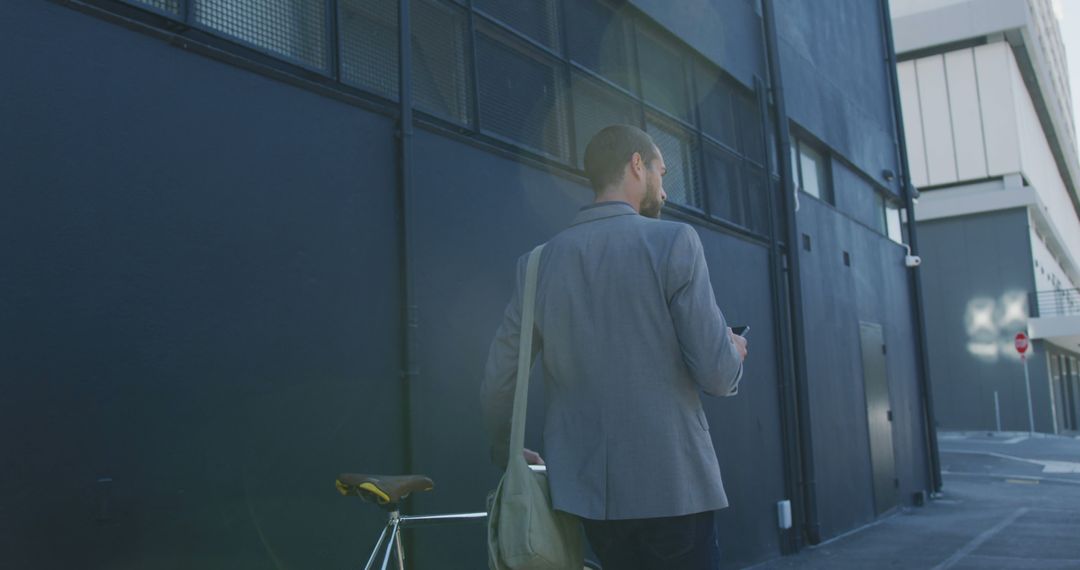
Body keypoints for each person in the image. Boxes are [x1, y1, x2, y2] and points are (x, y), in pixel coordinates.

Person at [481, 124, 748, 569]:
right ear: (637, 165)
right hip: (674, 486)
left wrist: (504, 447)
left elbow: (499, 377)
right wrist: (734, 351)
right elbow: (717, 376)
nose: (664, 188)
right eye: (662, 171)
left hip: (589, 499)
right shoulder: (674, 242)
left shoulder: (537, 265)